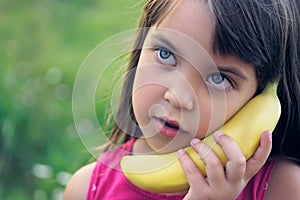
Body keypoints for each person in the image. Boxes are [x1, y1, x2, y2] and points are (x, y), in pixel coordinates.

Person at [63, 0, 300, 199]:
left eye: (218, 78)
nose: (177, 97)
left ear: (257, 101)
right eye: (166, 55)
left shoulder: (283, 188)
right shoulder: (86, 189)